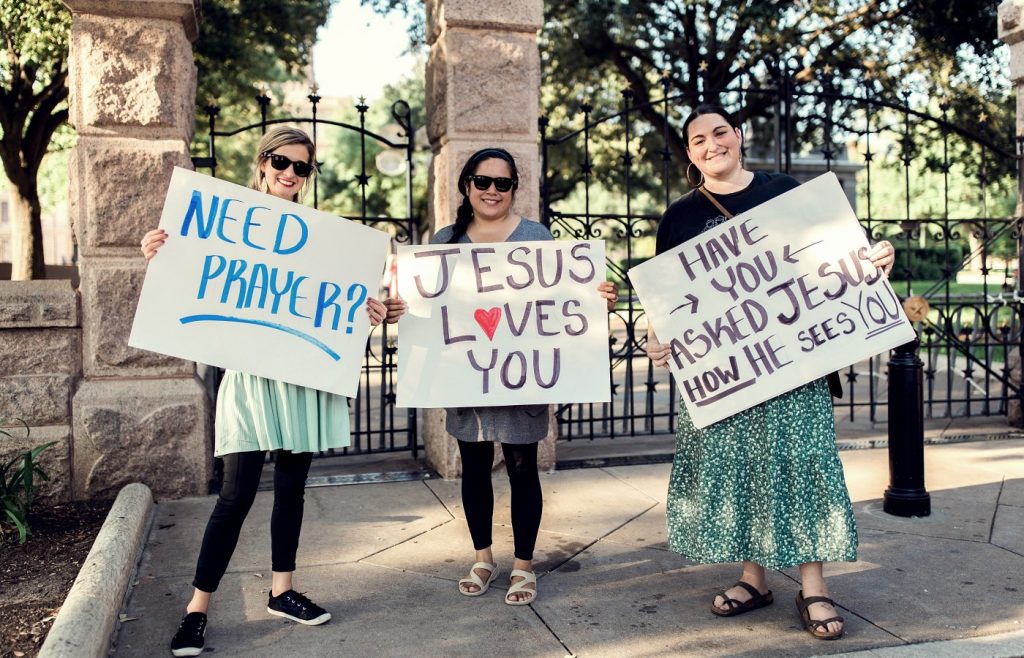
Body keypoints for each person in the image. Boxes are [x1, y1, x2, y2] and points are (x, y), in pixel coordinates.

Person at [645, 105, 895, 641]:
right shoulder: (680, 217)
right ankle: (753, 579)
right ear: (689, 154)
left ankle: (814, 587)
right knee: (739, 469)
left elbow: (839, 256)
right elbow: (667, 304)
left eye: (720, 133)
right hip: (724, 375)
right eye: (698, 140)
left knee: (801, 465)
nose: (712, 145)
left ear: (737, 137)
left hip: (794, 366)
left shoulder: (785, 190)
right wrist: (655, 338)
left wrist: (876, 259)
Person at [141, 126, 389, 657]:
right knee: (234, 496)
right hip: (252, 380)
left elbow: (334, 305)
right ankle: (196, 611)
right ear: (262, 162)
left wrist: (367, 312)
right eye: (282, 161)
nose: (290, 174)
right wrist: (161, 252)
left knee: (293, 490)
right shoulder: (222, 224)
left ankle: (282, 590)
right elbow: (191, 277)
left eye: (302, 167)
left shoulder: (325, 235)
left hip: (302, 379)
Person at [384, 147, 617, 605]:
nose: (492, 191)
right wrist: (402, 309)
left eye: (503, 183)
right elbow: (428, 311)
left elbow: (563, 297)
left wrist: (596, 298)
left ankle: (524, 566)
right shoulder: (446, 238)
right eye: (483, 181)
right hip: (466, 378)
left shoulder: (536, 236)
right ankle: (483, 557)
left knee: (522, 467)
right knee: (473, 468)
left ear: (514, 189)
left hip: (521, 377)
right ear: (467, 185)